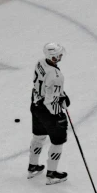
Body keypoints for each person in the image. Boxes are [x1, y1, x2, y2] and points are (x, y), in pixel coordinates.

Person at [28, 42, 69, 184]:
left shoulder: (40, 63)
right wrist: (59, 114)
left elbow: (46, 87)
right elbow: (50, 101)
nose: (61, 55)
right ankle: (52, 174)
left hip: (35, 105)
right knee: (58, 142)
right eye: (59, 54)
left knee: (38, 137)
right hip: (48, 111)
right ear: (53, 57)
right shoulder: (56, 76)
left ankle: (33, 166)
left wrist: (61, 95)